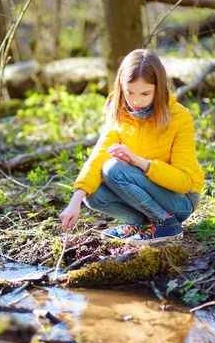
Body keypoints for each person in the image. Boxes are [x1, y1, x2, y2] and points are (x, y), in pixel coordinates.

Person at [59, 49, 204, 246]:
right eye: (129, 92)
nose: (136, 101)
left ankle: (166, 223)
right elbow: (98, 156)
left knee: (113, 169)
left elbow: (184, 182)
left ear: (158, 89)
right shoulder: (119, 113)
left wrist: (139, 163)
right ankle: (143, 225)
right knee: (91, 195)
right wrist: (74, 201)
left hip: (181, 200)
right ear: (121, 87)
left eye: (145, 93)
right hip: (146, 190)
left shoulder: (179, 117)